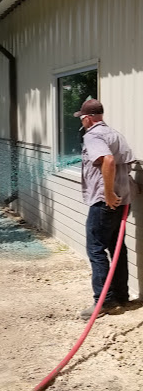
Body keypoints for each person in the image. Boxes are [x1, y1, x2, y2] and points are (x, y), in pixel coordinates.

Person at [73, 99, 138, 320]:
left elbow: (108, 160)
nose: (82, 121)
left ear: (89, 117)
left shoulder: (93, 135)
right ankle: (121, 296)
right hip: (122, 199)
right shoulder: (114, 134)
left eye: (82, 117)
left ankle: (105, 300)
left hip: (105, 201)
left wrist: (108, 194)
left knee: (96, 249)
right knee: (116, 247)